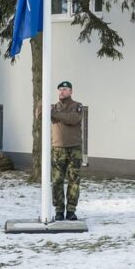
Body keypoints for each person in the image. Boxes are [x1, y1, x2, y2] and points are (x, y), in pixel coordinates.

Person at [51, 81, 84, 221]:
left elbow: (73, 119)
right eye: (59, 90)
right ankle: (59, 210)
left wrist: (55, 114)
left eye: (64, 89)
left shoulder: (77, 106)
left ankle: (71, 210)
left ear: (71, 91)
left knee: (73, 180)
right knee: (57, 180)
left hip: (74, 148)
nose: (61, 92)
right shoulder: (53, 106)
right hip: (58, 149)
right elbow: (38, 115)